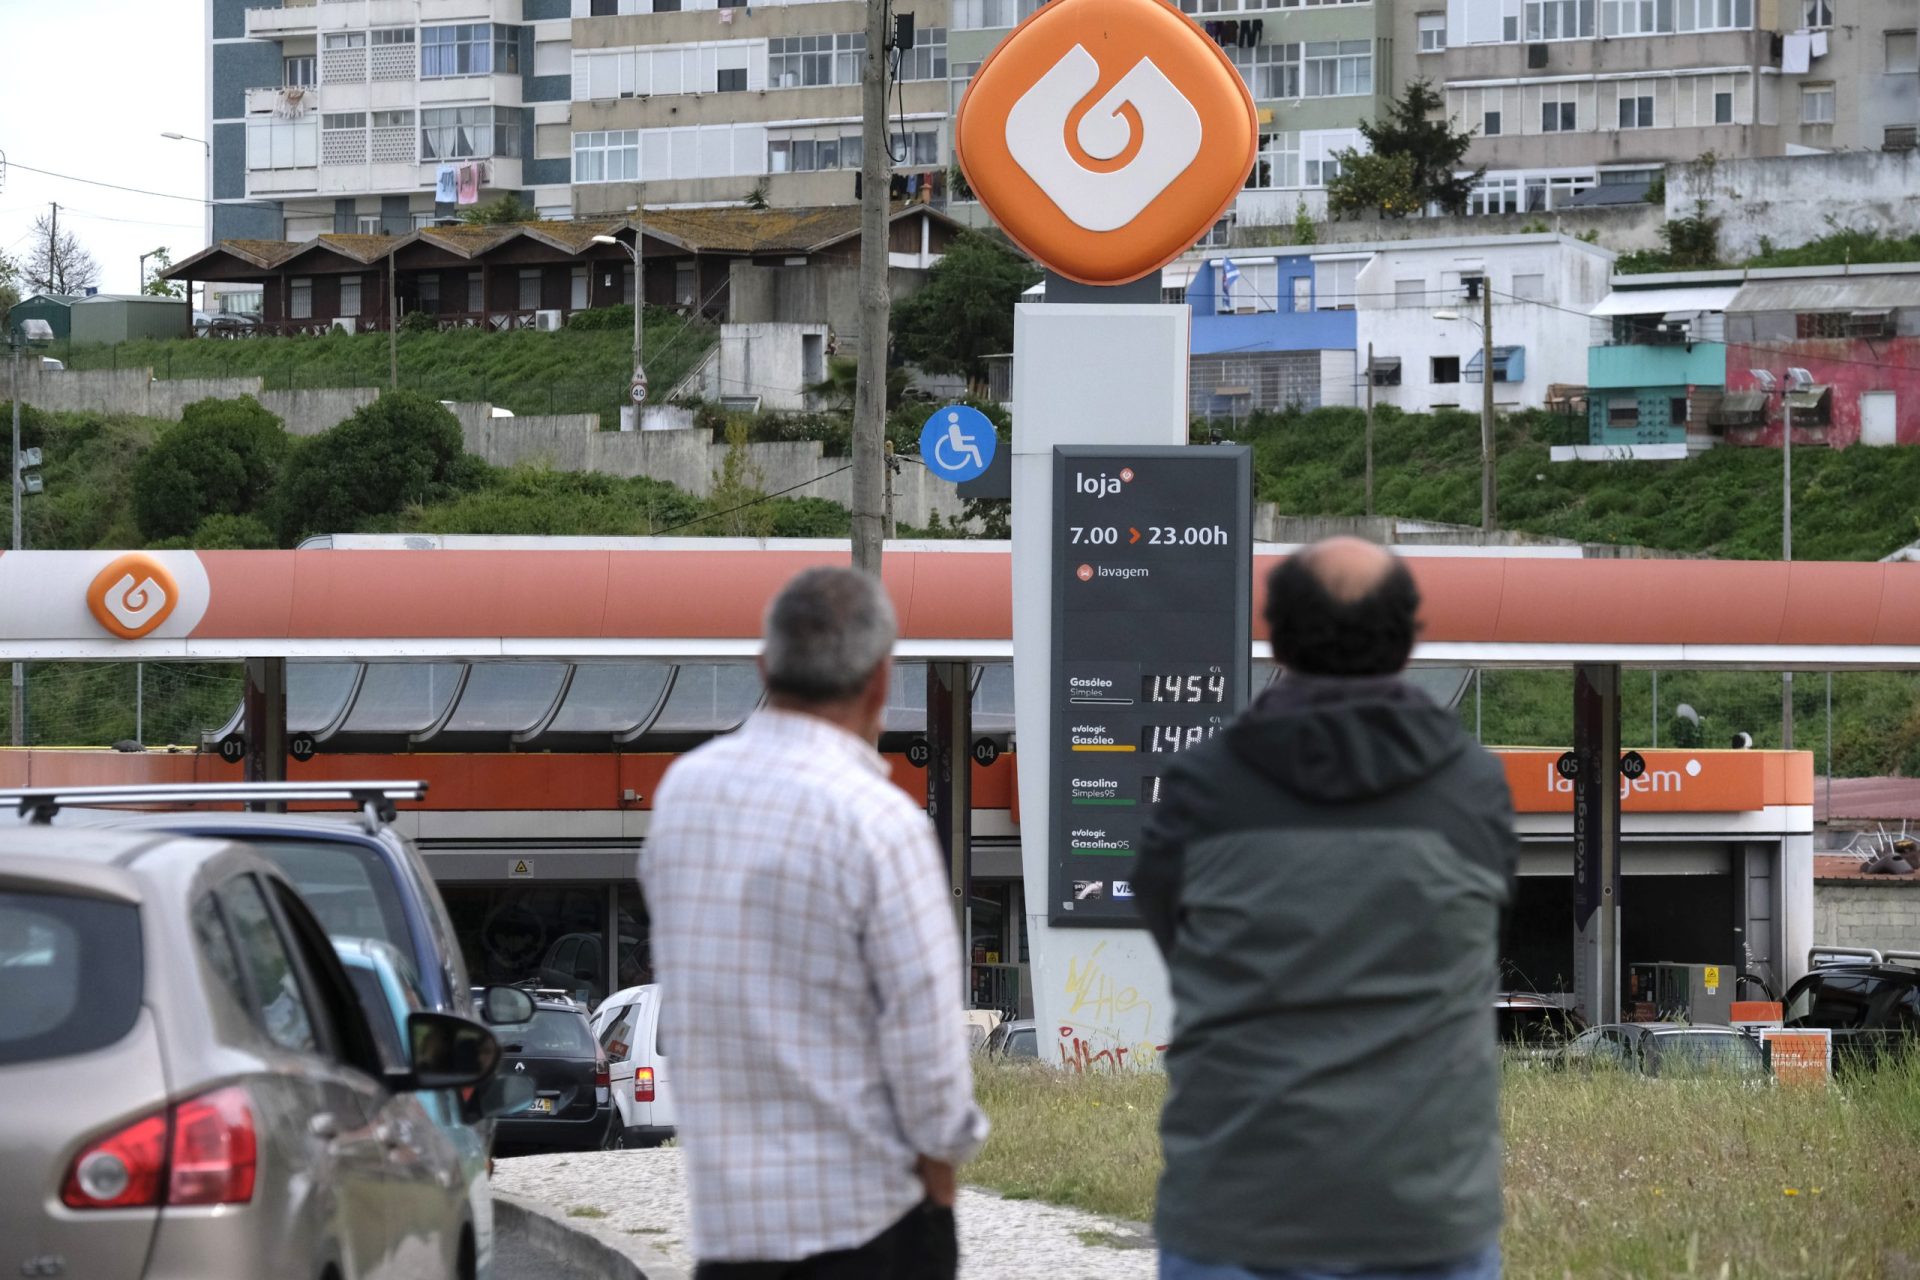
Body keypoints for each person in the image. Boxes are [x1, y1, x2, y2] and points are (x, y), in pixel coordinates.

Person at [1135, 538, 1517, 1280]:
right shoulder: (1471, 789)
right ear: (1407, 639)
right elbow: (1487, 931)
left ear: (1276, 637)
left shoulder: (1201, 791)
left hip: (1236, 1209)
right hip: (1426, 1216)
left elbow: (1171, 932)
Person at [640, 566, 988, 1279]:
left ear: (765, 666)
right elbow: (924, 1035)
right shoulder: (880, 821)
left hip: (731, 1230)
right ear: (881, 682)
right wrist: (942, 1163)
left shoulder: (684, 795)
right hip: (867, 1224)